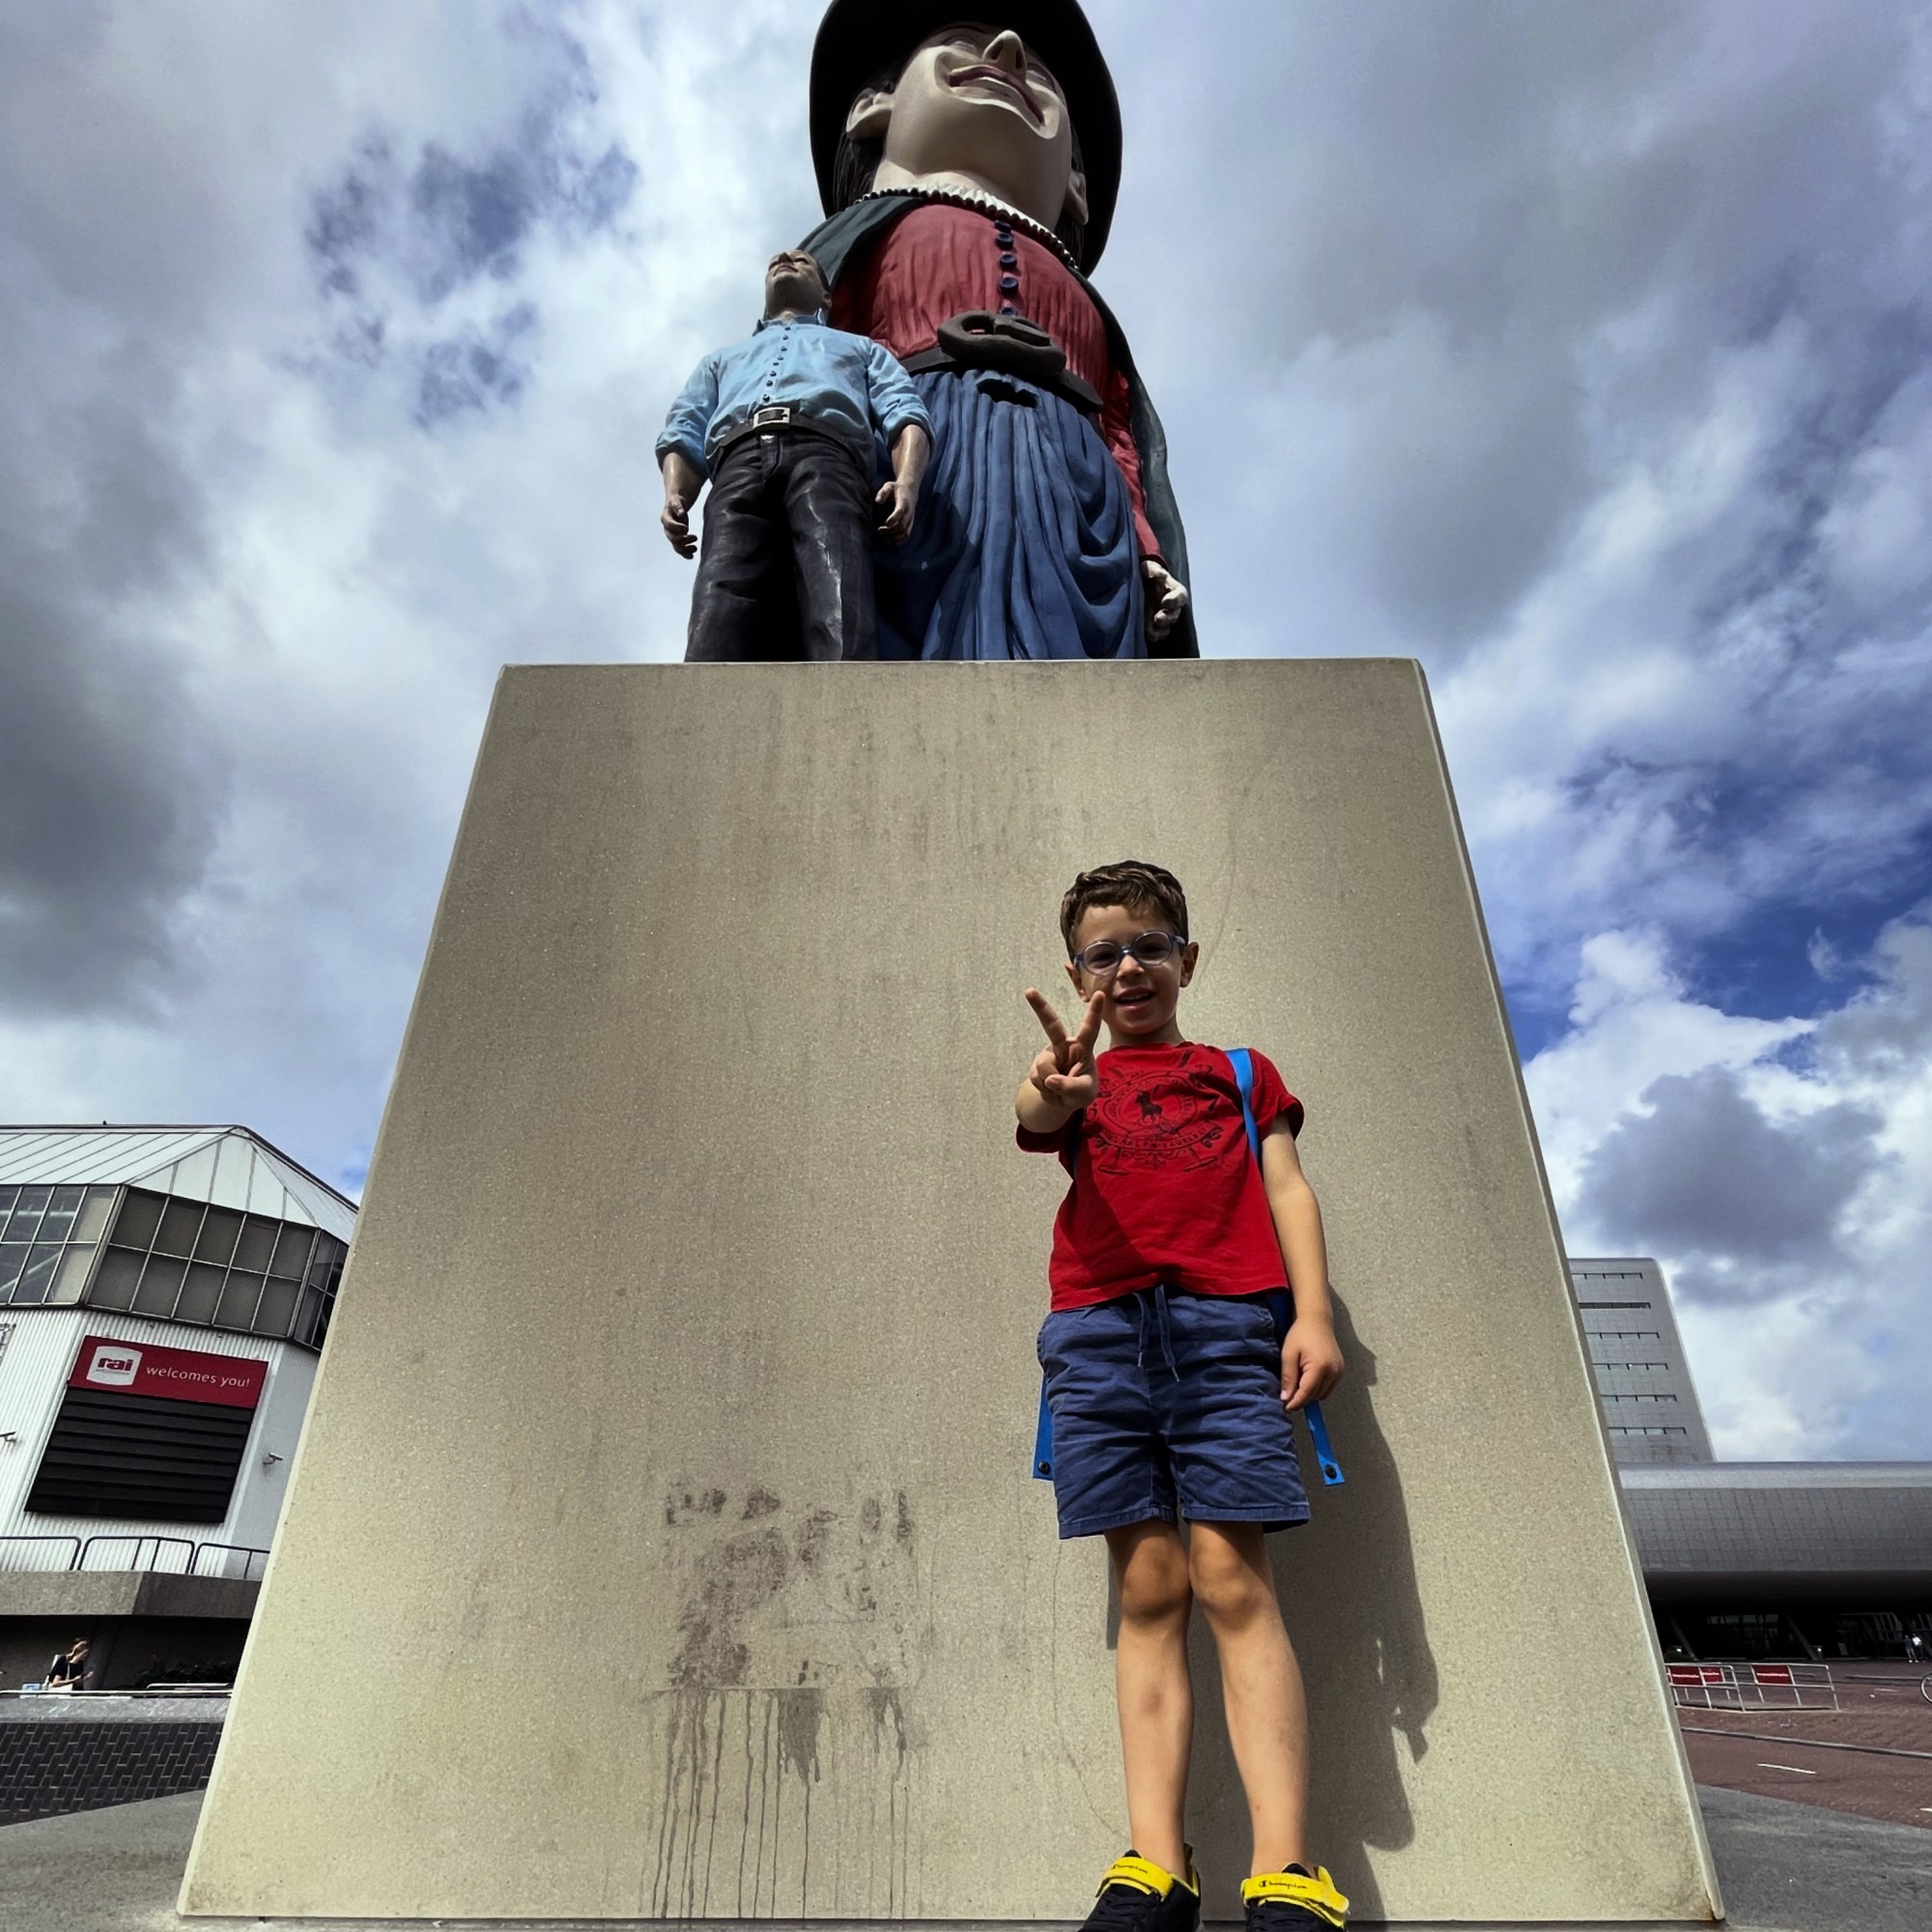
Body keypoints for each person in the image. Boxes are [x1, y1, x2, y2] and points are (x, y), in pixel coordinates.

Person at [1015, 861, 1350, 1932]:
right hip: (1097, 1340)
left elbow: (1287, 1187)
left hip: (1222, 1334)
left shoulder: (1238, 1071)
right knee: (1149, 1589)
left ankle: (1287, 1870)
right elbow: (1033, 1110)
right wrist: (1053, 1088)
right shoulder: (1075, 1077)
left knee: (1233, 1582)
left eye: (1149, 946)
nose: (1128, 967)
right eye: (1102, 953)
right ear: (1078, 974)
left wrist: (1312, 1314)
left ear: (1186, 960)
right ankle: (1156, 1867)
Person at [802, 2, 1196, 660]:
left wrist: (1148, 550)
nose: (1008, 48)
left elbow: (1122, 437)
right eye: (961, 39)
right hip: (911, 452)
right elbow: (807, 360)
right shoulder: (847, 250)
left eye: (1040, 74)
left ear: (1076, 185)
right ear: (872, 106)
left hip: (1073, 485)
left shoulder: (1088, 304)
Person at [657, 248, 933, 662]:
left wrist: (907, 482)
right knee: (720, 594)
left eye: (803, 261)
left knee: (837, 585)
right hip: (736, 461)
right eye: (775, 261)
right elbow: (685, 426)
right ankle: (705, 700)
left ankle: (846, 696)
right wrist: (676, 492)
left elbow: (904, 409)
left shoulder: (861, 348)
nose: (786, 257)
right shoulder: (719, 361)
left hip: (828, 456)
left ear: (826, 296)